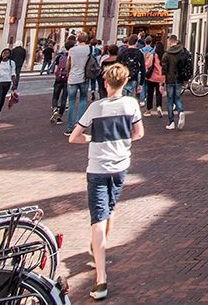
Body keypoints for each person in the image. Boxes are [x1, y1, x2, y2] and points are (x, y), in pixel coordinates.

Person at [69, 62, 144, 301]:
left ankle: (101, 278)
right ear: (125, 82)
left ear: (105, 83)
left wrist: (92, 138)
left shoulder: (96, 107)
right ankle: (98, 249)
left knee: (99, 218)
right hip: (121, 165)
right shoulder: (131, 104)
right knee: (109, 210)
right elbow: (139, 133)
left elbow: (74, 137)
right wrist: (124, 140)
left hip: (97, 167)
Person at [64, 34, 95, 135]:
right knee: (83, 99)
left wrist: (68, 73)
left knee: (72, 102)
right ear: (86, 39)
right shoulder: (89, 49)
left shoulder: (72, 50)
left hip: (72, 78)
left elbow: (68, 63)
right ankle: (79, 123)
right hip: (84, 77)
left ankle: (69, 127)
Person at [161, 35, 190, 130]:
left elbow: (164, 70)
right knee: (177, 98)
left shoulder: (166, 54)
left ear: (169, 42)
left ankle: (171, 122)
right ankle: (180, 111)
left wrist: (161, 84)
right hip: (179, 79)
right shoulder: (182, 52)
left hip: (169, 79)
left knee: (169, 101)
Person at [0, 48, 17, 124]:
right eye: (4, 53)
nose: (5, 55)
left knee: (2, 98)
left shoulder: (11, 63)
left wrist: (14, 84)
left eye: (7, 53)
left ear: (9, 55)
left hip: (7, 82)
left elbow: (13, 74)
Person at [50, 38, 72, 125]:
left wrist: (57, 76)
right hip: (67, 79)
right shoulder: (71, 57)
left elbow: (55, 70)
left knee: (55, 96)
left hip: (59, 79)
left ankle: (55, 108)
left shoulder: (59, 56)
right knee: (64, 98)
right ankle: (59, 116)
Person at [117, 35, 145, 100]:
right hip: (134, 79)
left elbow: (117, 66)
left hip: (123, 78)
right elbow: (143, 69)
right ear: (136, 43)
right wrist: (141, 83)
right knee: (131, 101)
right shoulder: (139, 53)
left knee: (122, 100)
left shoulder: (122, 53)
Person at [143, 41, 164, 117]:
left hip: (152, 77)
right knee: (159, 94)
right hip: (160, 78)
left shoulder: (153, 55)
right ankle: (159, 107)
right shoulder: (164, 56)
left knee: (150, 94)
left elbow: (147, 64)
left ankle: (148, 110)